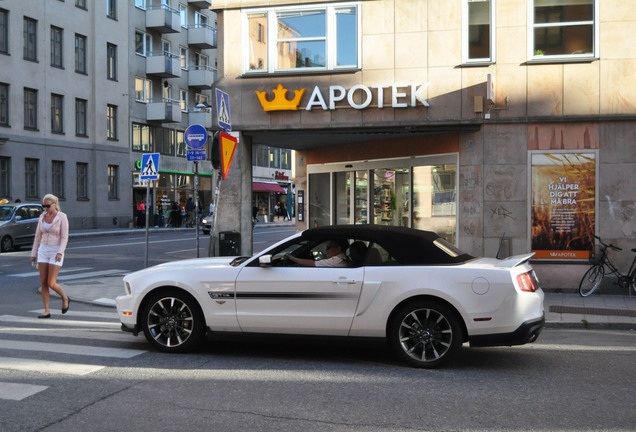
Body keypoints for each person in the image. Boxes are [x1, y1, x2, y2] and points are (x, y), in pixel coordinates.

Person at [30, 194, 70, 319]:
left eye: (47, 206)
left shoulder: (62, 217)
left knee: (51, 283)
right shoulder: (42, 216)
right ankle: (46, 310)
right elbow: (37, 236)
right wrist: (33, 253)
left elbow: (64, 236)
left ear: (54, 204)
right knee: (43, 282)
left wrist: (60, 252)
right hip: (43, 250)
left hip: (55, 250)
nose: (45, 208)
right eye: (44, 206)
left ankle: (65, 298)